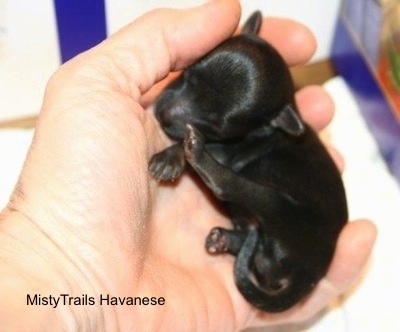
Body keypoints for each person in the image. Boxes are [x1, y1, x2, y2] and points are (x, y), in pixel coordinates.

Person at [0, 0, 376, 330]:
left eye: (214, 119)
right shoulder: (252, 127)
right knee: (258, 201)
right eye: (191, 78)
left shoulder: (273, 134)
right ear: (245, 33)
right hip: (271, 248)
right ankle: (241, 240)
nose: (172, 108)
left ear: (277, 121)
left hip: (297, 253)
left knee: (269, 201)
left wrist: (192, 155)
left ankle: (242, 235)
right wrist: (57, 262)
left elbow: (230, 164)